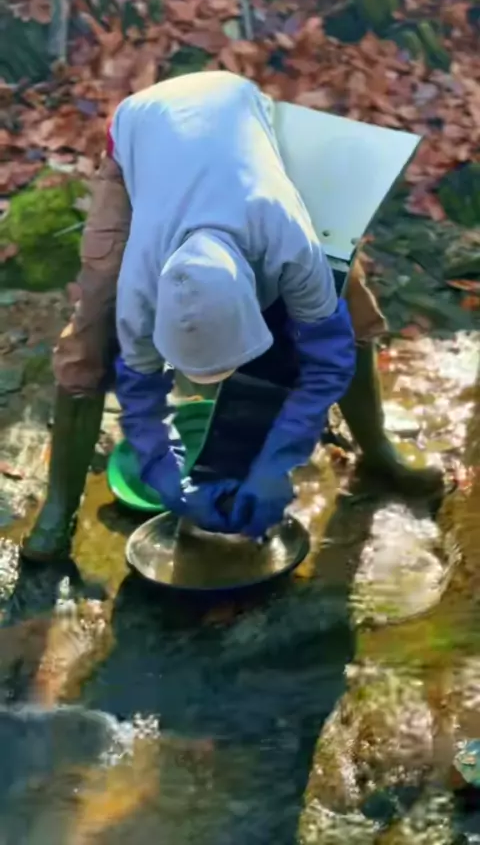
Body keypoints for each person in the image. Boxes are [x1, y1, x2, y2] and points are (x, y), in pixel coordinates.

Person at [22, 72, 444, 561]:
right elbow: (138, 394)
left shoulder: (288, 237)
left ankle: (377, 452)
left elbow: (327, 356)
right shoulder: (139, 278)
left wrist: (276, 462)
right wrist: (165, 475)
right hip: (148, 133)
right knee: (91, 338)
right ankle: (59, 508)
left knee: (344, 296)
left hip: (241, 116)